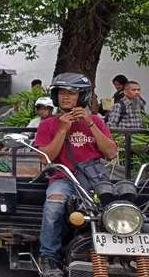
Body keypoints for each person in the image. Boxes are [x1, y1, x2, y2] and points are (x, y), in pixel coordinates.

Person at [34, 73, 117, 277]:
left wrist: (90, 123)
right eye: (61, 93)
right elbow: (46, 159)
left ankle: (115, 253)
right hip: (63, 178)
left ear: (82, 96)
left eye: (72, 93)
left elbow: (111, 152)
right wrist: (62, 130)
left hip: (94, 178)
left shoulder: (96, 120)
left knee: (114, 208)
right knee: (53, 207)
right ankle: (49, 257)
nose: (66, 97)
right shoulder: (48, 124)